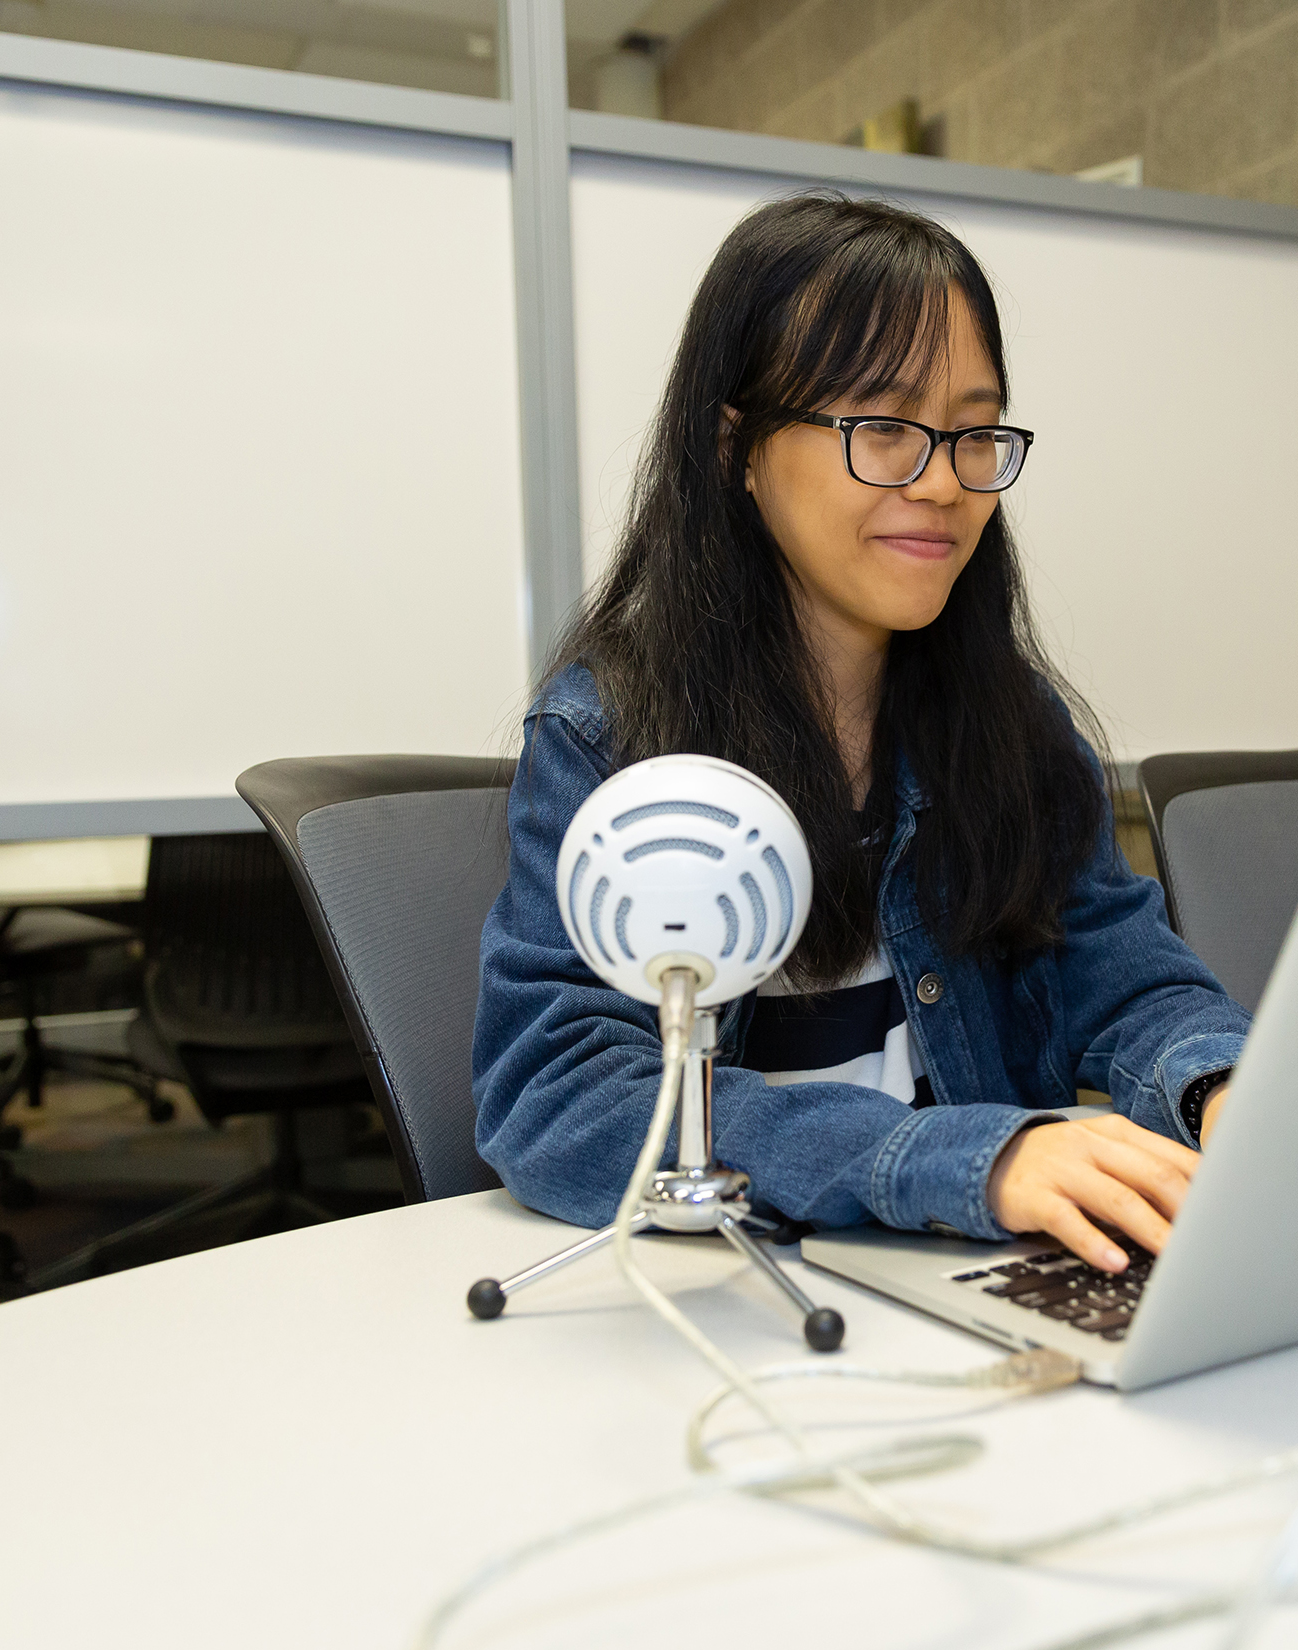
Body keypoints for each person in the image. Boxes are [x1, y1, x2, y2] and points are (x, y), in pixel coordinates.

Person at [472, 192, 1248, 1276]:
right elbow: (559, 1095)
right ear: (735, 444)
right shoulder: (610, 735)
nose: (940, 483)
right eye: (881, 428)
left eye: (972, 431)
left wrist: (1224, 1084)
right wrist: (956, 1159)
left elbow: (1128, 980)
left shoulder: (1011, 723)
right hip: (733, 1300)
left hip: (977, 1279)